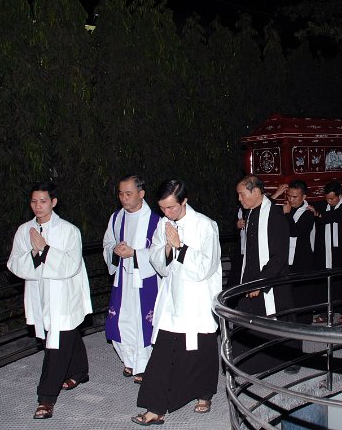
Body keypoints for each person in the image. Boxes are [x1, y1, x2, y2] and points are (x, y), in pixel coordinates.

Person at [133, 179, 222, 426]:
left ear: (184, 201)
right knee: (162, 353)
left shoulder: (205, 225)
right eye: (162, 208)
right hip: (172, 299)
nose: (167, 213)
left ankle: (204, 393)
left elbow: (207, 266)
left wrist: (180, 247)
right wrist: (168, 250)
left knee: (201, 350)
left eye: (171, 207)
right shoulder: (163, 224)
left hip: (197, 299)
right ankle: (155, 407)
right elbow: (157, 260)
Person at [7, 181, 92, 420]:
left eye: (43, 201)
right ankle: (79, 371)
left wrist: (45, 250)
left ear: (53, 202)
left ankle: (46, 398)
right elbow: (14, 264)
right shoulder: (24, 230)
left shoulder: (69, 231)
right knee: (66, 334)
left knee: (56, 343)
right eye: (34, 201)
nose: (38, 206)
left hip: (64, 296)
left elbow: (71, 265)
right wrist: (34, 253)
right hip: (39, 294)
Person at [233, 174, 295, 374]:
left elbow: (279, 256)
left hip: (272, 278)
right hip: (252, 276)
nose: (239, 199)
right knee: (246, 318)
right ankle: (244, 363)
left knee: (281, 320)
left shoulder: (275, 215)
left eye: (242, 195)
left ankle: (291, 359)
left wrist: (261, 282)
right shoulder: (250, 213)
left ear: (256, 192)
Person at [102, 175, 159, 383]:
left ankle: (144, 365)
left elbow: (160, 253)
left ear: (141, 194)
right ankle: (129, 360)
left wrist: (135, 253)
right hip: (123, 279)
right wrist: (114, 250)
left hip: (145, 281)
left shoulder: (156, 221)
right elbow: (108, 242)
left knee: (142, 321)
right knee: (121, 319)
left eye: (128, 194)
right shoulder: (116, 218)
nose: (124, 198)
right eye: (121, 194)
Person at [310, 181, 342, 323]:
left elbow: (333, 216)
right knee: (325, 281)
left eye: (332, 198)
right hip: (324, 249)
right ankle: (325, 311)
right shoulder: (322, 205)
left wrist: (319, 215)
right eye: (327, 198)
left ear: (340, 196)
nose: (329, 201)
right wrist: (316, 212)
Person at [271, 180, 315, 325]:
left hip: (302, 257)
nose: (291, 199)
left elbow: (296, 231)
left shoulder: (308, 212)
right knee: (284, 291)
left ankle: (303, 322)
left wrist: (287, 215)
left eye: (295, 197)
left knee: (301, 292)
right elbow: (266, 211)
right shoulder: (285, 208)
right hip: (284, 256)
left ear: (304, 196)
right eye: (289, 196)